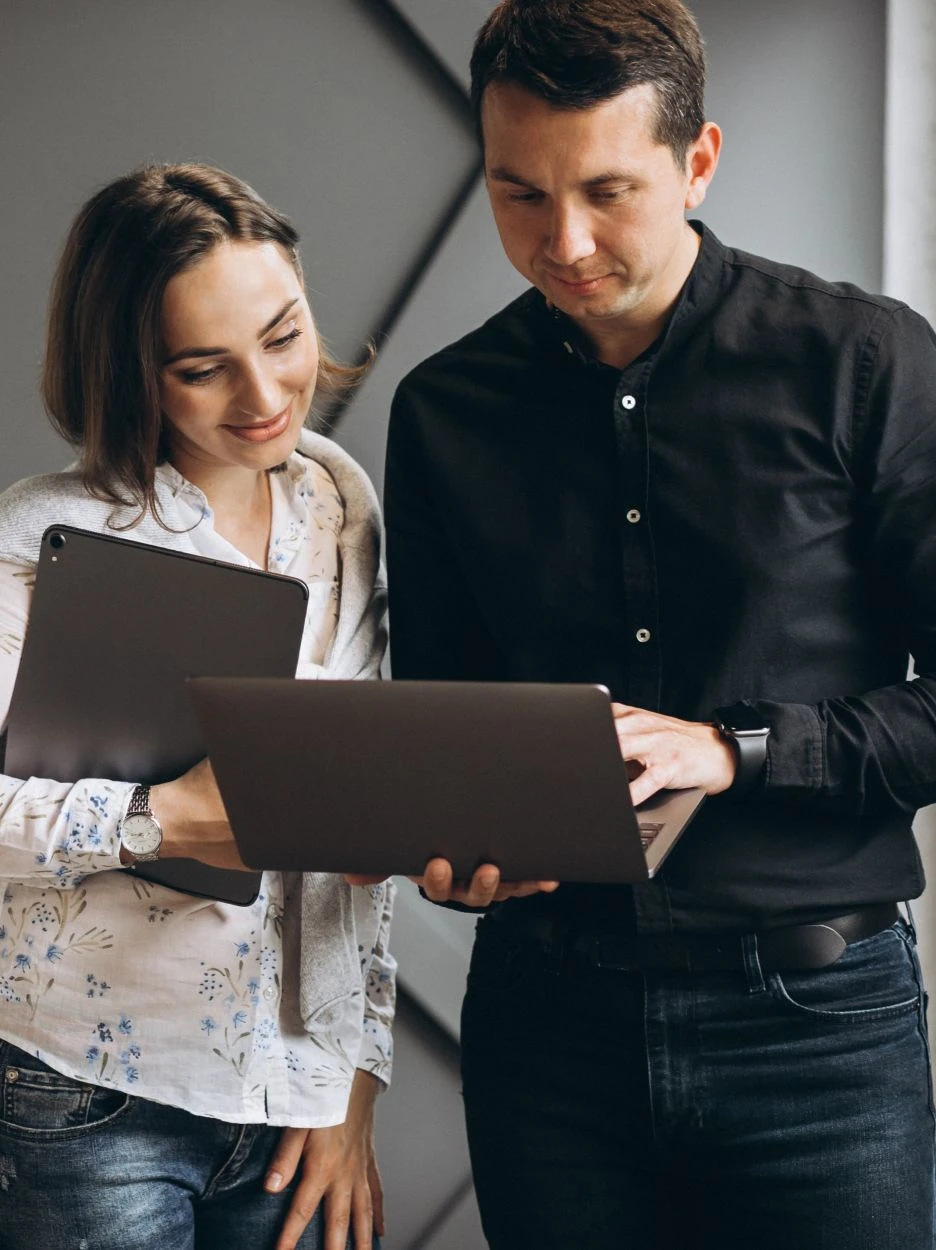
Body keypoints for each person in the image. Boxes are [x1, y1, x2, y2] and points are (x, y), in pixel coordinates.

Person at [382, 2, 936, 1246]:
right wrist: (452, 852)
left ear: (698, 161)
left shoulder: (866, 364)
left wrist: (728, 748)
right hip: (544, 1034)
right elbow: (448, 723)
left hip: (816, 1032)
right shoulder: (442, 412)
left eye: (607, 191)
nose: (561, 241)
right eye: (517, 192)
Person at [0, 163, 395, 1250]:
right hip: (69, 1103)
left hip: (288, 1113)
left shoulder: (340, 503)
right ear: (128, 373)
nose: (265, 394)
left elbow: (357, 793)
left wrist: (350, 1074)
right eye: (202, 369)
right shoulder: (32, 547)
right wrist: (158, 818)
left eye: (283, 336)